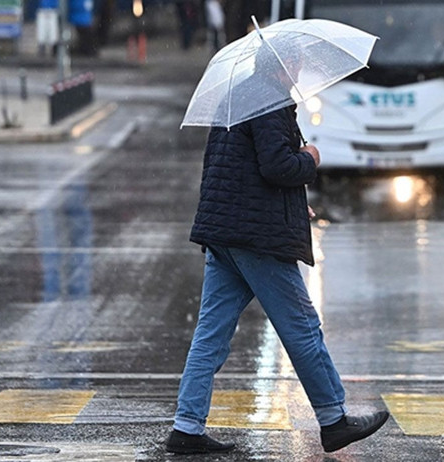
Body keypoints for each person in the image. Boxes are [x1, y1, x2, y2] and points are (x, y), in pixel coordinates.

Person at [166, 44, 390, 455]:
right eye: (298, 62)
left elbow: (235, 170)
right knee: (301, 327)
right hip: (258, 239)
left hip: (225, 232)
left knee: (210, 335)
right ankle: (334, 419)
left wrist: (290, 202)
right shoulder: (270, 102)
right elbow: (276, 166)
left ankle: (186, 425)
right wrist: (309, 159)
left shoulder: (235, 96)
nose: (301, 69)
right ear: (286, 65)